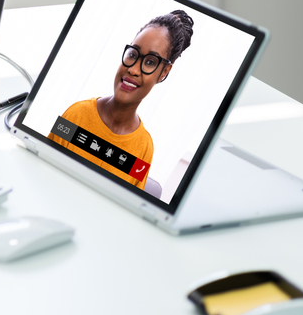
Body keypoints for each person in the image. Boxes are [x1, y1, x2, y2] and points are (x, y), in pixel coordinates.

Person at [48, 10, 194, 190]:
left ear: (164, 72)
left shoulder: (143, 148)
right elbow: (42, 168)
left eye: (150, 62)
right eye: (133, 55)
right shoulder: (76, 114)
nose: (133, 69)